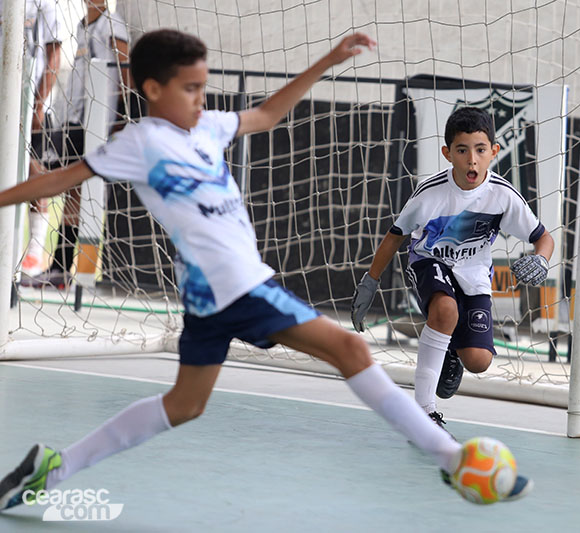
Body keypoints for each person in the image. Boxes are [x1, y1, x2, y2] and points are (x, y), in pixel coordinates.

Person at [0, 29, 532, 511]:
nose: (201, 98)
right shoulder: (138, 143)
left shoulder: (206, 127)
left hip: (210, 298)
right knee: (350, 349)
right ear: (153, 89)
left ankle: (56, 465)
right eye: (189, 88)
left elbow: (267, 115)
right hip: (236, 287)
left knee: (183, 405)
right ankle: (450, 459)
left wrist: (326, 59)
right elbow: (59, 180)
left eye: (203, 86)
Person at [351, 106, 554, 430]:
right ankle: (423, 410)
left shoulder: (503, 196)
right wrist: (370, 281)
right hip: (429, 261)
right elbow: (395, 236)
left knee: (479, 361)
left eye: (480, 150)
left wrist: (541, 259)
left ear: (494, 152)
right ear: (447, 153)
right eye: (462, 150)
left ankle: (449, 352)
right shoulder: (430, 194)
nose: (471, 159)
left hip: (474, 274)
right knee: (444, 311)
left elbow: (543, 238)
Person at [23, 0, 131, 288]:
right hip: (75, 118)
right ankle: (60, 267)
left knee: (88, 195)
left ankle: (79, 269)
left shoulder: (111, 22)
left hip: (99, 120)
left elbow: (124, 66)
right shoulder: (84, 25)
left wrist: (122, 112)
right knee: (71, 190)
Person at [0, 0, 64, 275]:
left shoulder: (47, 5)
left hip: (29, 102)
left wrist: (38, 104)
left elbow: (54, 55)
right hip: (4, 98)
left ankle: (34, 253)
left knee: (32, 170)